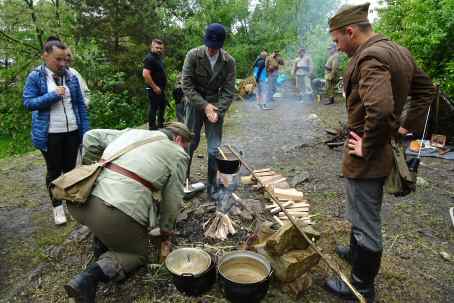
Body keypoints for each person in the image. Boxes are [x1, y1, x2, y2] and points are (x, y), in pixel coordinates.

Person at [325, 3, 434, 303]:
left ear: (350, 32)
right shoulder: (398, 50)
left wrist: (369, 143)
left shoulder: (370, 57)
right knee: (361, 208)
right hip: (378, 145)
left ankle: (361, 285)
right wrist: (403, 129)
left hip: (368, 154)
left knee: (366, 218)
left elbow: (382, 107)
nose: (337, 46)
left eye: (337, 40)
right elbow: (426, 92)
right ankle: (355, 252)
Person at [64, 122, 193, 303]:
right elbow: (172, 201)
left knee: (108, 221)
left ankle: (102, 241)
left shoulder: (133, 133)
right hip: (110, 212)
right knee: (136, 255)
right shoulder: (177, 153)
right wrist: (165, 230)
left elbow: (90, 137)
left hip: (78, 201)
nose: (185, 152)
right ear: (178, 139)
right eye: (185, 147)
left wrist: (91, 170)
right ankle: (88, 279)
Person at [23, 40, 90, 226]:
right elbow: (28, 103)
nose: (62, 63)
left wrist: (86, 131)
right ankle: (57, 207)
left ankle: (71, 205)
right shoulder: (35, 77)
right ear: (45, 55)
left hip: (72, 132)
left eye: (64, 59)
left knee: (70, 169)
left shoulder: (71, 77)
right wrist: (53, 95)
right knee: (54, 171)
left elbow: (80, 106)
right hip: (50, 134)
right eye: (57, 59)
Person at [181, 23, 236, 200]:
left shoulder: (228, 61)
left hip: (216, 105)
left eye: (216, 48)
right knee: (189, 143)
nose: (211, 51)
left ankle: (212, 186)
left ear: (221, 45)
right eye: (209, 47)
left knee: (214, 148)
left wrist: (218, 111)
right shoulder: (193, 55)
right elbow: (186, 85)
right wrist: (204, 106)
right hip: (195, 103)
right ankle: (184, 181)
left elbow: (228, 91)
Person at [143, 39, 167, 130]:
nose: (159, 50)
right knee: (153, 107)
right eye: (157, 48)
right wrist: (154, 87)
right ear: (151, 47)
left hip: (160, 88)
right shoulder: (149, 58)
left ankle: (160, 124)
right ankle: (152, 127)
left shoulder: (158, 58)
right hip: (154, 88)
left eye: (161, 48)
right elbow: (145, 74)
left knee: (162, 106)